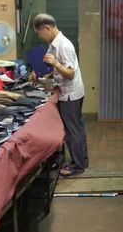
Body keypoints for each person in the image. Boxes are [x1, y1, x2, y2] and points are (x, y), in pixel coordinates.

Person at [32, 13, 88, 177]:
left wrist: (55, 63)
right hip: (68, 92)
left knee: (73, 131)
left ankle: (78, 165)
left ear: (46, 28)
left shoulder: (64, 45)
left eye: (39, 32)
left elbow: (70, 73)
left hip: (71, 94)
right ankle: (82, 160)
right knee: (76, 128)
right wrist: (41, 74)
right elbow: (56, 70)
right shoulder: (53, 45)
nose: (40, 37)